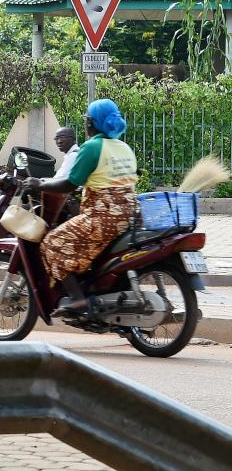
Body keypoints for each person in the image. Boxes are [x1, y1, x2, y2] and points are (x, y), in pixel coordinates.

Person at [24, 99, 138, 315]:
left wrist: (38, 184)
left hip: (103, 217)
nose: (85, 124)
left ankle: (77, 299)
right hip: (129, 215)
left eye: (87, 119)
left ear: (91, 123)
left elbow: (69, 183)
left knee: (52, 242)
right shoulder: (124, 148)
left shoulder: (93, 147)